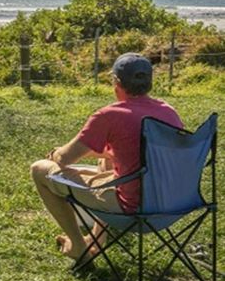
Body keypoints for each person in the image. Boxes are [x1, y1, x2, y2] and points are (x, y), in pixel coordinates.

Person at [30, 53, 184, 260]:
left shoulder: (109, 116)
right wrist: (100, 153)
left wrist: (56, 153)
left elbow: (64, 160)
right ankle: (95, 240)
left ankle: (78, 247)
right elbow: (139, 153)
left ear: (116, 82)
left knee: (39, 169)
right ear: (149, 82)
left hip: (133, 207)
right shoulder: (168, 112)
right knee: (106, 158)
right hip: (173, 203)